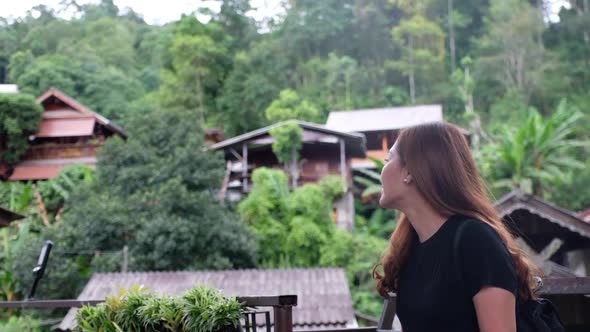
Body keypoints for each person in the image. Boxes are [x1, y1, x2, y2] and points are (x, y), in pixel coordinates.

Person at [374, 122, 541, 332]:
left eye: (388, 159)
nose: (382, 168)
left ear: (409, 171)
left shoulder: (476, 240)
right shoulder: (409, 247)